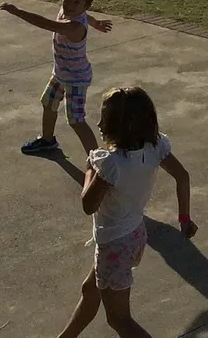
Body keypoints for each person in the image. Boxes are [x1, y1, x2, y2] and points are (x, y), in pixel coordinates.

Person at [58, 86, 197, 338]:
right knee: (90, 291)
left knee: (119, 319)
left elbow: (88, 205)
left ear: (120, 126)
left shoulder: (110, 164)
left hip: (113, 245)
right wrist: (184, 219)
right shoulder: (154, 148)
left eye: (104, 118)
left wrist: (90, 168)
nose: (98, 123)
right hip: (134, 236)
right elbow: (183, 177)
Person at [1, 0, 114, 158]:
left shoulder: (74, 26)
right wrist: (96, 23)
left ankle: (99, 161)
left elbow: (47, 24)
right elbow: (88, 17)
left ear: (85, 6)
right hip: (60, 74)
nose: (69, 4)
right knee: (48, 103)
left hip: (76, 79)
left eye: (77, 2)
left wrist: (18, 12)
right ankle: (47, 140)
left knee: (76, 121)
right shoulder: (72, 12)